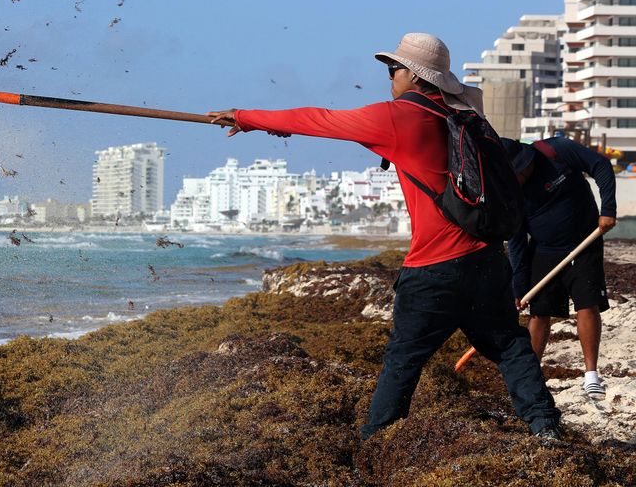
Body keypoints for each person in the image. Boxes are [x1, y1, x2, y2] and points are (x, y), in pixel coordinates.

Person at [208, 32, 562, 440]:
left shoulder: (396, 117)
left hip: (434, 268)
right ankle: (544, 425)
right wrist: (275, 128)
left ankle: (376, 439)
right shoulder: (463, 117)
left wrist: (245, 117)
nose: (389, 79)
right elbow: (329, 128)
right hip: (487, 259)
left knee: (403, 359)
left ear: (412, 75)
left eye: (393, 70)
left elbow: (317, 119)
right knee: (509, 345)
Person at [503, 137, 617, 400]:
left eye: (520, 169)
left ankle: (591, 375)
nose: (519, 176)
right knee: (539, 313)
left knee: (587, 305)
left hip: (584, 242)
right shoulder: (511, 191)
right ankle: (532, 376)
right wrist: (518, 288)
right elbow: (518, 242)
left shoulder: (555, 151)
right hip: (544, 250)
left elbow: (600, 165)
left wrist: (608, 209)